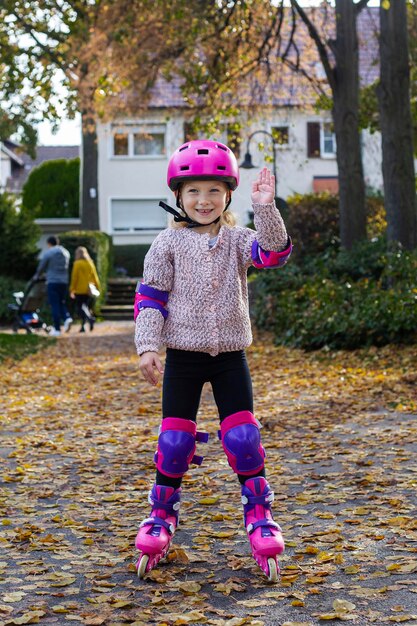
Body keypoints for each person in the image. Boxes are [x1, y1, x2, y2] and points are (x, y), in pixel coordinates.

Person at [134, 139, 292, 582]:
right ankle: (161, 516)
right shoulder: (167, 243)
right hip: (183, 358)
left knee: (243, 439)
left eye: (214, 192)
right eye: (193, 192)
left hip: (229, 357)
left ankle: (260, 516)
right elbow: (150, 298)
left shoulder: (240, 240)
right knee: (174, 444)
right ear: (179, 196)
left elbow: (274, 253)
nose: (203, 201)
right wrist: (148, 347)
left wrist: (266, 208)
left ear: (228, 195)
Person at [34, 235, 73, 336]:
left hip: (53, 282)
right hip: (64, 281)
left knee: (54, 304)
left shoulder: (49, 253)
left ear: (49, 243)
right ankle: (67, 318)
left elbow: (41, 266)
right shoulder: (66, 253)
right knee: (62, 302)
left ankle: (57, 329)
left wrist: (37, 276)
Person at [69, 246, 100, 332]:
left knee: (80, 307)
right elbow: (95, 276)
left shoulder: (77, 263)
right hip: (88, 289)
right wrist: (97, 287)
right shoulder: (90, 263)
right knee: (85, 306)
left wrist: (72, 289)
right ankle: (83, 326)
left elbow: (74, 277)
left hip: (79, 289)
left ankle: (89, 319)